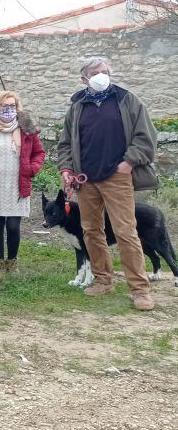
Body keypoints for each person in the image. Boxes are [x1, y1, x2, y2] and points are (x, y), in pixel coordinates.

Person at [55, 58, 158, 311]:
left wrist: (128, 163)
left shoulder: (127, 100)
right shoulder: (77, 105)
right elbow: (66, 143)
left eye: (105, 72)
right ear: (84, 78)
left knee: (125, 231)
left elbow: (146, 137)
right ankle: (103, 281)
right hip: (85, 180)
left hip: (117, 177)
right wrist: (67, 169)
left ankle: (139, 290)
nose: (101, 76)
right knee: (91, 230)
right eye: (95, 73)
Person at [0, 90, 46, 275]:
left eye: (12, 106)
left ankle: (12, 261)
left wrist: (32, 169)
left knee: (13, 226)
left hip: (18, 184)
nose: (8, 110)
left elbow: (39, 153)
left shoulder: (27, 131)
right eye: (4, 106)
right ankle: (0, 263)